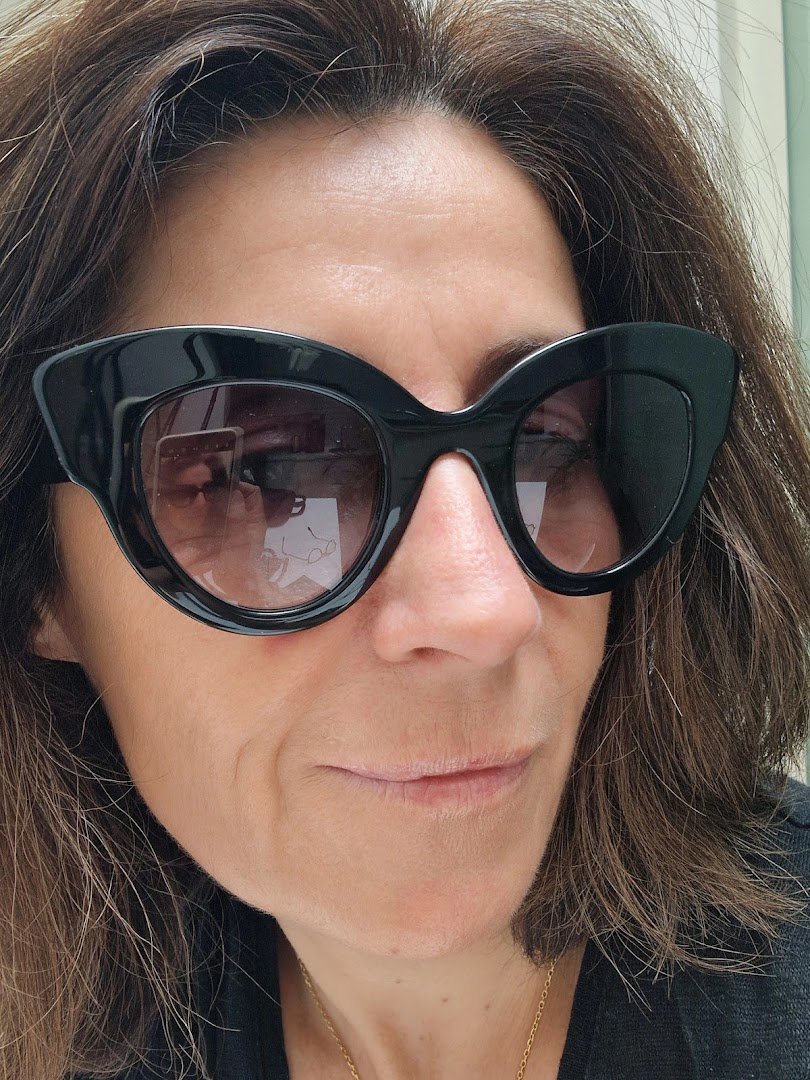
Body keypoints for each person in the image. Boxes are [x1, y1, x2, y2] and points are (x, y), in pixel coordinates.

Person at [0, 0, 807, 1077]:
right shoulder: (74, 1032)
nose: (487, 609)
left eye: (546, 440)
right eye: (267, 471)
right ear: (38, 578)